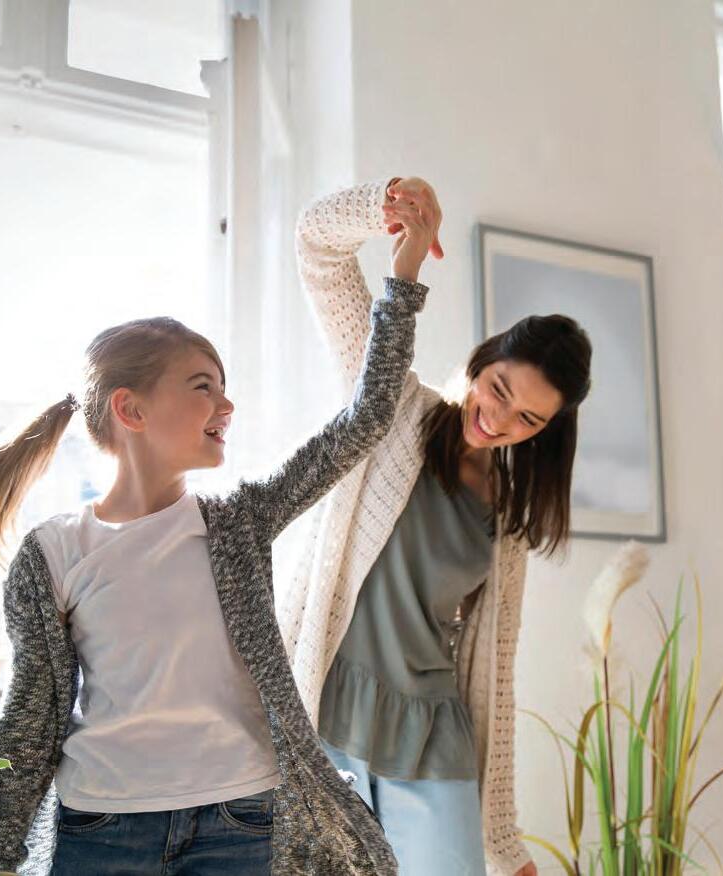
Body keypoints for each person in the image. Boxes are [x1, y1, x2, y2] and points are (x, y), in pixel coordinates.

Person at [0, 181, 443, 875]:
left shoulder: (237, 524)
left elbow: (366, 420)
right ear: (131, 410)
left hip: (243, 820)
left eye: (224, 387)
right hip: (100, 828)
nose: (227, 404)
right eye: (204, 386)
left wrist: (404, 276)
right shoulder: (54, 553)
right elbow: (31, 719)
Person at [281, 177, 592, 875]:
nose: (501, 419)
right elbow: (317, 248)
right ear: (481, 364)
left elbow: (493, 668)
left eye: (528, 418)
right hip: (328, 709)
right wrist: (392, 213)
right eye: (499, 389)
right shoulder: (390, 404)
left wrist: (503, 841)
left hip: (431, 735)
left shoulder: (508, 516)